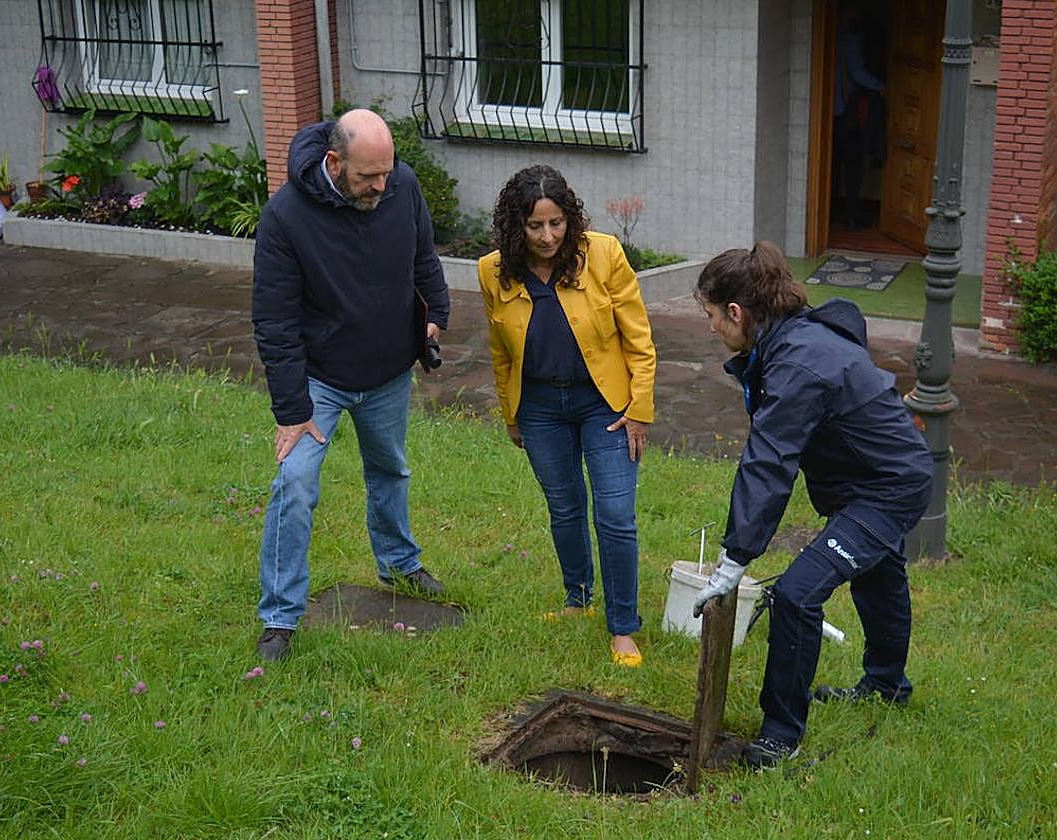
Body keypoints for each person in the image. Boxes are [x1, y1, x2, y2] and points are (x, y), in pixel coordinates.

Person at [691, 242, 932, 769]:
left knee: (796, 596)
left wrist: (734, 560)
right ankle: (887, 685)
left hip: (889, 487)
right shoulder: (790, 338)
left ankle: (781, 735)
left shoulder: (800, 362)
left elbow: (768, 463)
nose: (711, 329)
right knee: (879, 574)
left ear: (736, 312)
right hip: (865, 477)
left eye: (711, 316)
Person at [251, 109, 451, 662]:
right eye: (368, 177)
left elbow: (423, 255)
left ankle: (399, 564)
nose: (382, 186)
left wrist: (435, 314)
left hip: (388, 372)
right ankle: (280, 618)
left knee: (390, 469)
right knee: (294, 485)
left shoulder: (401, 185)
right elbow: (274, 320)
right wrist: (292, 410)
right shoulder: (286, 216)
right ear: (334, 163)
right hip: (320, 380)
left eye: (387, 172)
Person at [478, 165, 656, 667]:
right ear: (516, 226)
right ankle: (578, 599)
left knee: (615, 516)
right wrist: (510, 414)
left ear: (569, 219)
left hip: (606, 406)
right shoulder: (493, 271)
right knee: (565, 507)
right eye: (535, 226)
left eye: (556, 223)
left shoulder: (604, 254)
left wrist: (639, 410)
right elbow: (500, 351)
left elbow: (640, 340)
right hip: (539, 409)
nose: (547, 236)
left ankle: (623, 627)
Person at [834, 4, 886, 230]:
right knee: (853, 166)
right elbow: (857, 72)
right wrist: (881, 87)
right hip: (848, 114)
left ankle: (833, 211)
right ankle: (853, 216)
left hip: (832, 114)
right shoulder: (851, 38)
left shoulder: (832, 37)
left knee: (835, 165)